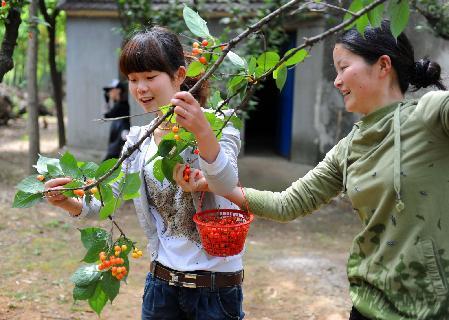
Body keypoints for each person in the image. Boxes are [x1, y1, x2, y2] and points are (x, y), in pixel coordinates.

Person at [174, 21, 449, 320]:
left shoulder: (431, 115)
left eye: (344, 68)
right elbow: (287, 204)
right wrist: (213, 185)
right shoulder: (349, 148)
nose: (337, 81)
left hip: (432, 308)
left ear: (383, 65)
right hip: (369, 306)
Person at [44, 26, 245, 320]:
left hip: (214, 291)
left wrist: (202, 131)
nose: (141, 88)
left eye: (150, 77)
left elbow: (225, 182)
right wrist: (69, 202)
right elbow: (109, 199)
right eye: (133, 79)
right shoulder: (138, 138)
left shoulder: (218, 124)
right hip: (161, 287)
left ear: (178, 74)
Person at [102, 79, 130, 160]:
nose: (109, 93)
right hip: (116, 136)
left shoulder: (122, 105)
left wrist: (106, 102)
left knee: (108, 161)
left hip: (120, 136)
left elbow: (107, 115)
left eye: (111, 90)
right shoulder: (118, 104)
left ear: (118, 90)